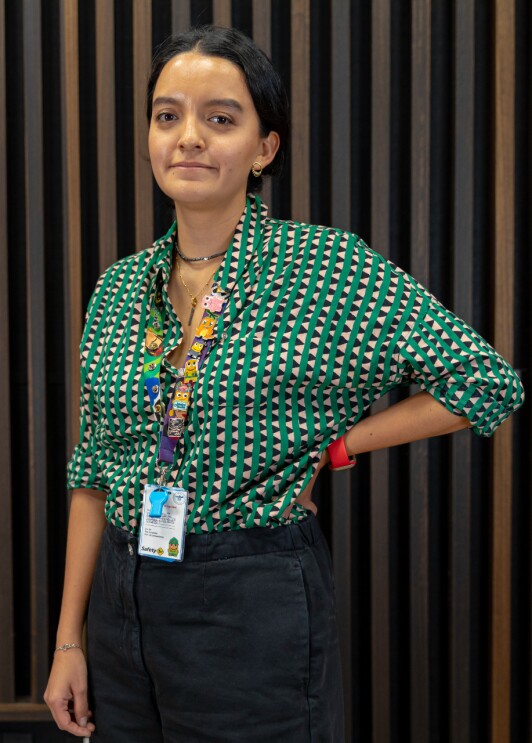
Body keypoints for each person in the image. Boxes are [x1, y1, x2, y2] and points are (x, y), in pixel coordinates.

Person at [44, 25, 524, 743]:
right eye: (167, 115)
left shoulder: (324, 267)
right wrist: (68, 641)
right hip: (120, 598)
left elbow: (486, 381)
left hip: (246, 601)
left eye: (221, 118)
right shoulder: (119, 287)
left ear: (265, 148)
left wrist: (336, 445)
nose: (188, 138)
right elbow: (92, 470)